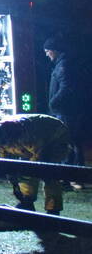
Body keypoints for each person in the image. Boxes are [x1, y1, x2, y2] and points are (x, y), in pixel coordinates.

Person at [0, 114, 72, 215]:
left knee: (49, 172)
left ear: (0, 137)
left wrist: (25, 174)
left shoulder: (25, 132)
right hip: (32, 144)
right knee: (26, 170)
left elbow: (38, 157)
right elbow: (6, 161)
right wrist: (13, 179)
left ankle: (53, 209)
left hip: (55, 137)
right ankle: (27, 201)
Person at [44, 35, 87, 175]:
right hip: (68, 110)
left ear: (54, 50)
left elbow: (65, 88)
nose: (46, 54)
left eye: (47, 51)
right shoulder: (64, 64)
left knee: (68, 141)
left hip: (65, 111)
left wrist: (53, 102)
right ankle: (77, 173)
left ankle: (72, 174)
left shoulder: (62, 66)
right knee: (74, 141)